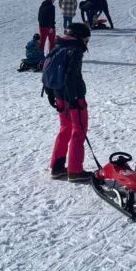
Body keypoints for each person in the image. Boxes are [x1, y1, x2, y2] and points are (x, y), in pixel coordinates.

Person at [46, 23, 92, 182]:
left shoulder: (57, 48)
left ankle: (57, 167)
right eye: (86, 40)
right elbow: (71, 76)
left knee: (65, 129)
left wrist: (50, 93)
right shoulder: (75, 51)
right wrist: (73, 100)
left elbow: (47, 71)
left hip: (59, 96)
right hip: (74, 98)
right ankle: (75, 171)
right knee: (79, 131)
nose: (86, 44)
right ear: (78, 37)